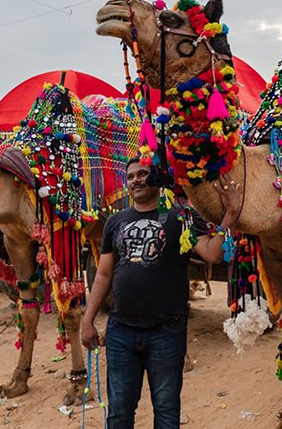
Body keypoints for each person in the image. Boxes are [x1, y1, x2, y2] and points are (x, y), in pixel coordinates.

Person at [81, 158, 241, 429]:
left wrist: (231, 214)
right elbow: (104, 274)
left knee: (167, 414)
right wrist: (87, 320)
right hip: (120, 332)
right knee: (118, 413)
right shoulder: (115, 222)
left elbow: (213, 253)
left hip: (166, 333)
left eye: (143, 174)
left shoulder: (181, 218)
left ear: (156, 178)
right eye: (131, 176)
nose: (136, 180)